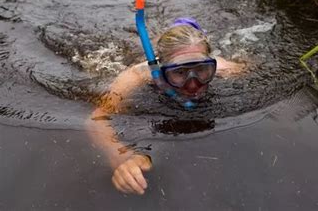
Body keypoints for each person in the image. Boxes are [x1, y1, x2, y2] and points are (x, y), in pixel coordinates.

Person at [86, 18, 245, 195]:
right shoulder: (135, 76)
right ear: (160, 70)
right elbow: (97, 118)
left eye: (201, 70)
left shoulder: (226, 69)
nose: (193, 84)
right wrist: (121, 156)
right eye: (179, 72)